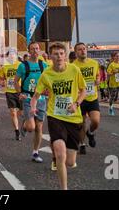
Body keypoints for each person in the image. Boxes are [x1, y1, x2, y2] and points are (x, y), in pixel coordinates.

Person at [31, 43, 86, 190]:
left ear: (66, 55)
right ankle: (64, 188)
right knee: (61, 154)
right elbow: (36, 96)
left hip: (74, 118)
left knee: (70, 162)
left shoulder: (74, 70)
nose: (59, 56)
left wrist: (76, 104)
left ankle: (60, 158)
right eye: (56, 54)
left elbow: (83, 90)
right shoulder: (46, 74)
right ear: (50, 57)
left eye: (62, 53)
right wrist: (33, 107)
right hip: (55, 117)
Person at [14, 41, 48, 163]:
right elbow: (15, 82)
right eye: (32, 49)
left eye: (37, 48)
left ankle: (35, 152)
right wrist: (20, 93)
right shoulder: (23, 66)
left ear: (40, 50)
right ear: (29, 51)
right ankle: (25, 124)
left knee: (39, 127)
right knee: (31, 127)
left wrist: (48, 90)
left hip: (41, 99)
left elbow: (48, 81)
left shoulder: (44, 65)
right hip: (28, 98)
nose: (35, 51)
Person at [73, 42, 100, 155]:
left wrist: (98, 80)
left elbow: (97, 75)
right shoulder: (73, 66)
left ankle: (90, 132)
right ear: (76, 52)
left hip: (92, 97)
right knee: (81, 123)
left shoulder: (94, 63)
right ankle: (82, 144)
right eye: (80, 49)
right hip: (80, 98)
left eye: (84, 49)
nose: (83, 51)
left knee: (95, 121)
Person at [0, 48, 23, 140]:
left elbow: (25, 76)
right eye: (10, 54)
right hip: (9, 91)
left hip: (19, 91)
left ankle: (23, 127)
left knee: (22, 113)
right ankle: (17, 131)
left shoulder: (20, 65)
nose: (12, 56)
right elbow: (0, 78)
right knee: (13, 113)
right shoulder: (4, 67)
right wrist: (1, 82)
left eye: (14, 54)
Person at [107, 52, 119, 116]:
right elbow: (108, 73)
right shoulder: (111, 65)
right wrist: (113, 72)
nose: (118, 57)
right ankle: (110, 108)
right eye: (117, 56)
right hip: (113, 83)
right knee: (112, 97)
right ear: (114, 57)